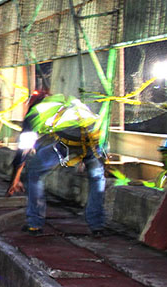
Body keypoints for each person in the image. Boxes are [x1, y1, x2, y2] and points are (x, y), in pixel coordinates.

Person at [7, 93, 107, 237]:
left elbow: (23, 151)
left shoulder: (35, 113)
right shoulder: (70, 103)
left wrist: (15, 180)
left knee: (34, 173)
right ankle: (97, 226)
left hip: (66, 142)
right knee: (97, 178)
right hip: (93, 140)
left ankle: (34, 224)